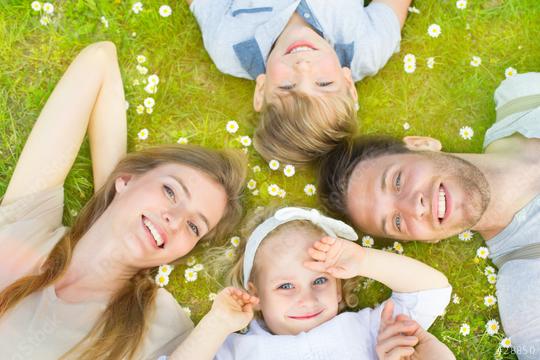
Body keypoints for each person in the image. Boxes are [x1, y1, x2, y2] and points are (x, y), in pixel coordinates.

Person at [0, 41, 247, 360]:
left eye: (193, 225)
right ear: (127, 179)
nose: (174, 217)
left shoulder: (160, 329)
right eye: (170, 191)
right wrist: (119, 201)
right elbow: (99, 60)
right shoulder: (28, 226)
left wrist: (133, 207)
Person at [318, 72, 540, 359]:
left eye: (397, 181)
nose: (414, 206)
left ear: (422, 144)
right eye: (397, 222)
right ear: (429, 240)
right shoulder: (527, 293)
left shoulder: (521, 95)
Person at [165, 206, 452, 359]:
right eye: (285, 286)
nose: (306, 298)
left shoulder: (367, 330)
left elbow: (431, 291)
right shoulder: (239, 351)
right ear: (256, 294)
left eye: (319, 280)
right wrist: (216, 324)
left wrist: (364, 261)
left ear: (339, 286)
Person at [186, 0, 411, 165]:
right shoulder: (367, 47)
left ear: (261, 90)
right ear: (348, 84)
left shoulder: (229, 45)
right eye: (323, 83)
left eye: (286, 87)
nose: (303, 67)